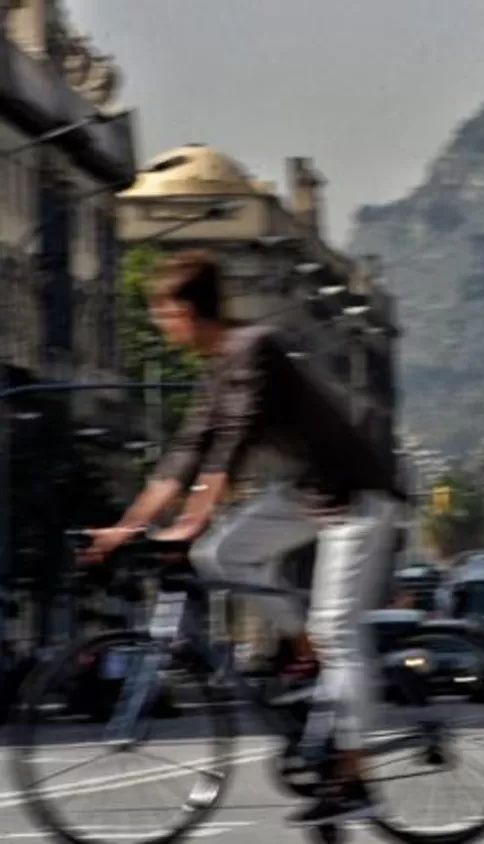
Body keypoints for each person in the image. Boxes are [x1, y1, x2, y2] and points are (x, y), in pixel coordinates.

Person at [80, 250, 406, 826]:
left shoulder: (255, 349)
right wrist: (123, 529)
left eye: (162, 313)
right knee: (219, 554)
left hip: (357, 498)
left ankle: (357, 778)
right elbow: (181, 459)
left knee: (335, 630)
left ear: (185, 309)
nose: (161, 325)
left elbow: (227, 451)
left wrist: (190, 519)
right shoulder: (217, 368)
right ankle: (306, 657)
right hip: (309, 494)